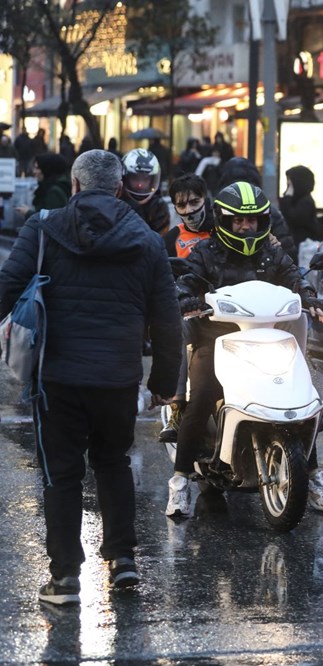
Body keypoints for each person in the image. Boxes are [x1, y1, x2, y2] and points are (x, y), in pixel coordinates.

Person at [0, 149, 181, 606]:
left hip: (56, 377)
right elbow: (167, 317)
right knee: (113, 462)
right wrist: (164, 381)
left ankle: (64, 581)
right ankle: (122, 561)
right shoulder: (145, 237)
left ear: (76, 186)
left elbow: (6, 285)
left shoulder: (43, 227)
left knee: (61, 475)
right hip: (118, 377)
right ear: (120, 189)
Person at [166, 181, 323, 517]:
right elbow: (186, 282)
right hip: (215, 338)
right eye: (239, 221)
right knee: (201, 396)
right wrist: (189, 300)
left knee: (302, 399)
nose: (246, 227)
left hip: (267, 338)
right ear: (225, 220)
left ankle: (314, 477)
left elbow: (294, 277)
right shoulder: (206, 252)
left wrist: (311, 299)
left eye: (253, 221)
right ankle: (180, 480)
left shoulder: (272, 252)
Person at [158, 174, 214, 443]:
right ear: (175, 208)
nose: (190, 210)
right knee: (174, 331)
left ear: (206, 198)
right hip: (190, 315)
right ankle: (177, 408)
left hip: (230, 310)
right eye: (182, 205)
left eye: (195, 201)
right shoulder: (170, 240)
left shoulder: (226, 229)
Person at [216, 157, 296, 255]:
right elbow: (289, 252)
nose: (245, 226)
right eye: (238, 220)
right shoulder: (270, 211)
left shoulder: (218, 211)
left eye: (251, 220)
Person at [121, 148, 171, 236]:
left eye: (145, 179)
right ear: (125, 178)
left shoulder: (158, 207)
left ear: (152, 180)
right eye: (135, 178)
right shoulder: (117, 202)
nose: (140, 185)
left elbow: (160, 241)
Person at [279, 165, 318, 264]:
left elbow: (293, 218)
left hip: (301, 248)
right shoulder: (296, 199)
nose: (288, 184)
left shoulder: (306, 201)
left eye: (290, 182)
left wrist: (287, 196)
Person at [15, 153, 72, 219]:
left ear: (47, 169)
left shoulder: (54, 192)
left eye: (37, 168)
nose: (34, 171)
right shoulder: (54, 186)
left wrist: (28, 213)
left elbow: (50, 219)